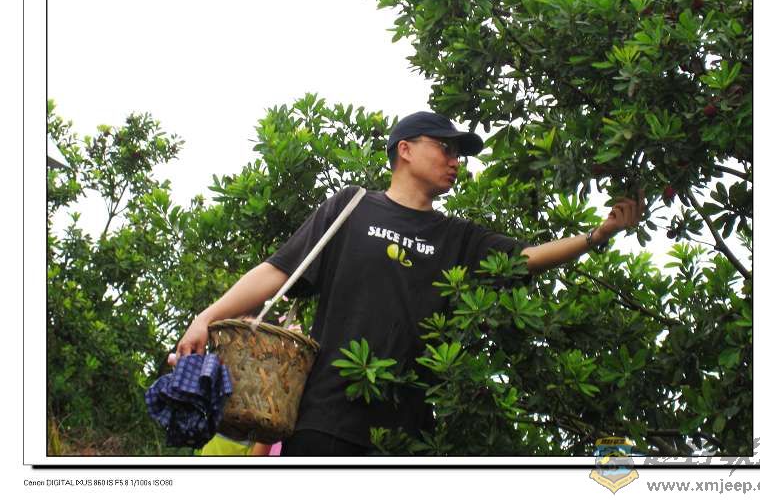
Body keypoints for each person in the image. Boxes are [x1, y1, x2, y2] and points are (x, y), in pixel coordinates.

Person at [175, 111, 645, 456]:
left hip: (406, 435)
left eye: (458, 154)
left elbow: (523, 259)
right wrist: (205, 318)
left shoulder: (457, 237)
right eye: (445, 148)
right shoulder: (350, 207)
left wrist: (597, 235)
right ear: (405, 149)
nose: (455, 161)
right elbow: (277, 271)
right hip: (325, 419)